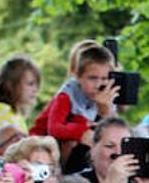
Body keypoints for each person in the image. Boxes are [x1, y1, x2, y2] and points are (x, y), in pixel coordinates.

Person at [29, 42, 118, 171]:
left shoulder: (106, 94)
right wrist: (82, 132)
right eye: (92, 78)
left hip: (77, 148)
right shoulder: (67, 94)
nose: (99, 84)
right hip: (42, 143)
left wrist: (105, 112)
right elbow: (54, 128)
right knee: (72, 142)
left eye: (104, 78)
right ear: (77, 76)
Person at [0, 56, 41, 137]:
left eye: (36, 85)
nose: (35, 89)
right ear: (10, 85)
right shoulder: (1, 113)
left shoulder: (13, 114)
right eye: (30, 84)